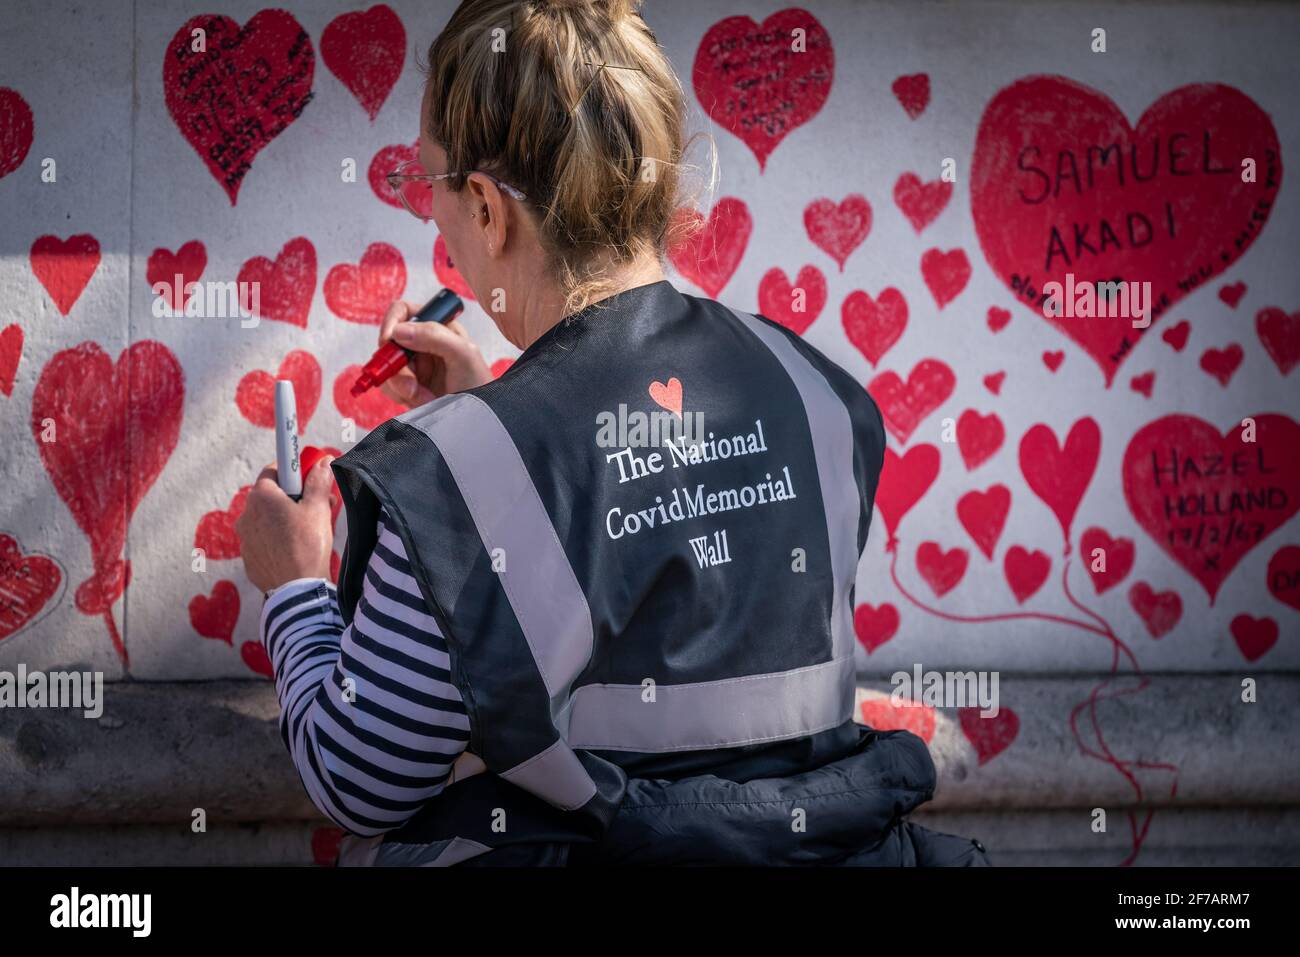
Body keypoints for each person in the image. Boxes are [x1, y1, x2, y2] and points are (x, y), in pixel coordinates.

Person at [237, 0, 990, 867]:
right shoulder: (818, 393)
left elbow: (361, 776)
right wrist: (500, 411)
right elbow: (678, 541)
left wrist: (293, 585)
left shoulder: (455, 484)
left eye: (429, 184)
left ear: (486, 205)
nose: (432, 216)